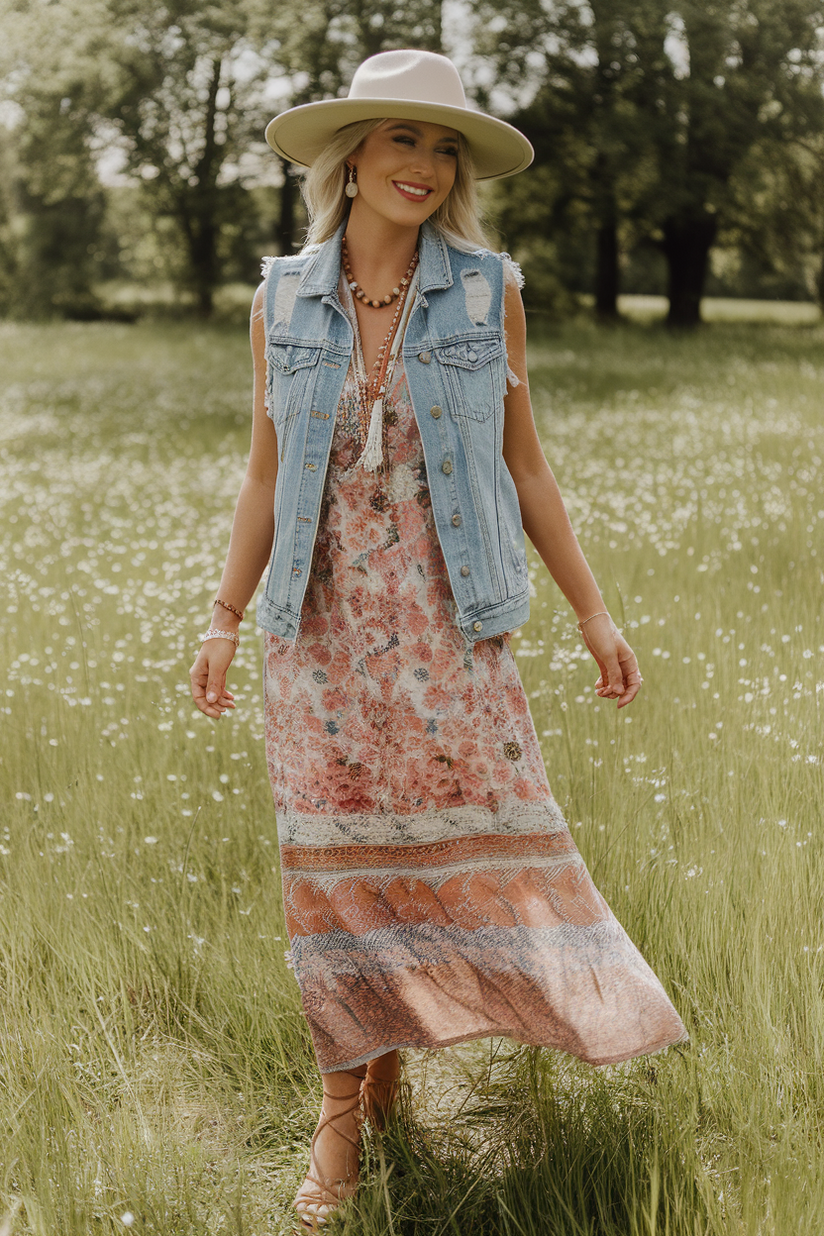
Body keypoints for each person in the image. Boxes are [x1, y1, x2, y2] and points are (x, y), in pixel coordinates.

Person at [189, 48, 688, 1232]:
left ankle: (408, 1071)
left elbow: (524, 465)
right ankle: (342, 1128)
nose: (423, 164)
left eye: (443, 145)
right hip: (315, 639)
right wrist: (220, 617)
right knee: (332, 880)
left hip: (445, 636)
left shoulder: (486, 290)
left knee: (446, 862)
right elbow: (264, 475)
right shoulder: (278, 299)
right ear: (351, 155)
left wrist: (592, 609)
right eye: (401, 139)